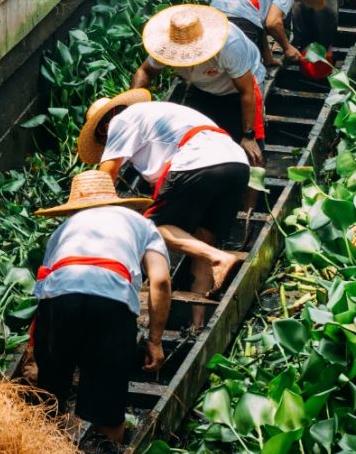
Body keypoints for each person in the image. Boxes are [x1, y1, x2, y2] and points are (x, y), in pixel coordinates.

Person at [33, 170, 171, 454]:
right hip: (112, 299)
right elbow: (160, 281)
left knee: (51, 391)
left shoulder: (64, 229)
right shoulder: (142, 224)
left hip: (59, 297)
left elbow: (43, 286)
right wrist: (155, 341)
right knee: (109, 398)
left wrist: (38, 353)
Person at [82, 89, 247, 305]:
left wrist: (94, 220)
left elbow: (106, 176)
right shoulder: (154, 117)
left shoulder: (120, 121)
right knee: (203, 239)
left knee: (152, 229)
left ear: (104, 128)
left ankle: (219, 257)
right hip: (237, 163)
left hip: (198, 161)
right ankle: (198, 318)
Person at [132, 4, 265, 166]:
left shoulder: (229, 44)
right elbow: (145, 72)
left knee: (245, 151)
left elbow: (247, 92)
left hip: (239, 88)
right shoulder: (165, 47)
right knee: (192, 140)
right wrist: (133, 107)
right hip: (201, 86)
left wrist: (248, 136)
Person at [211, 0, 325, 68]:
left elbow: (259, 25)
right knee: (245, 68)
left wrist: (268, 58)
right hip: (240, 15)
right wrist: (287, 47)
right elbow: (273, 23)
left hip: (213, 13)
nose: (297, 0)